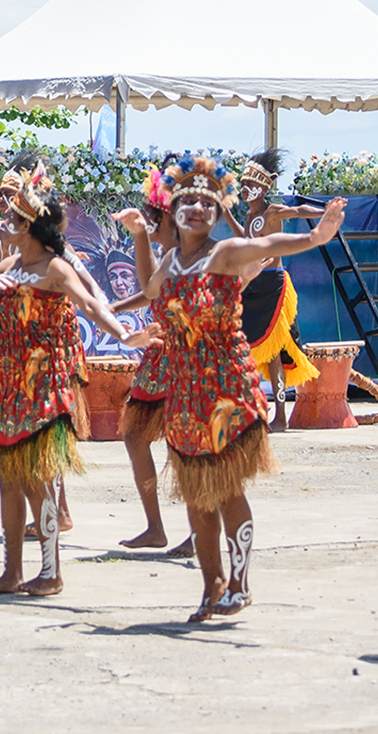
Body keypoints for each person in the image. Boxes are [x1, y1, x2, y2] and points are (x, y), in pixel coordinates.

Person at [131, 153, 345, 622]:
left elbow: (269, 241)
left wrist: (315, 236)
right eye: (188, 202)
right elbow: (149, 289)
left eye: (208, 205)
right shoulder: (171, 260)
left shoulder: (223, 253)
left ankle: (240, 583)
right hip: (185, 393)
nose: (199, 210)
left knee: (225, 488)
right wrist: (137, 237)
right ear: (173, 209)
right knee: (195, 492)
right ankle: (213, 587)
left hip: (226, 391)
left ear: (215, 213)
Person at [0, 166, 156, 597]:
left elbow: (89, 304)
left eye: (12, 220)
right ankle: (11, 572)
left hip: (44, 383)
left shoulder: (56, 268)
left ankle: (50, 570)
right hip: (8, 383)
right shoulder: (9, 263)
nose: (5, 224)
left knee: (37, 477)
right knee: (8, 478)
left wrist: (125, 335)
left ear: (29, 228)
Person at [110, 163, 193, 555]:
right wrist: (113, 309)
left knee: (185, 444)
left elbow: (151, 287)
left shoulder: (183, 253)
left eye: (152, 218)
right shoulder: (170, 252)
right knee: (135, 437)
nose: (148, 221)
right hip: (160, 357)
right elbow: (151, 292)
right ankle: (156, 528)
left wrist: (139, 236)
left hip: (183, 359)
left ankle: (196, 532)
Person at [223, 149, 321, 430]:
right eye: (244, 185)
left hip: (272, 286)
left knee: (275, 349)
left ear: (265, 187)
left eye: (252, 185)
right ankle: (252, 410)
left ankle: (280, 414)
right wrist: (228, 214)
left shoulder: (272, 212)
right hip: (250, 285)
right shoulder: (249, 217)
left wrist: (325, 213)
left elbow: (299, 210)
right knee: (245, 348)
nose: (246, 189)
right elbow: (245, 241)